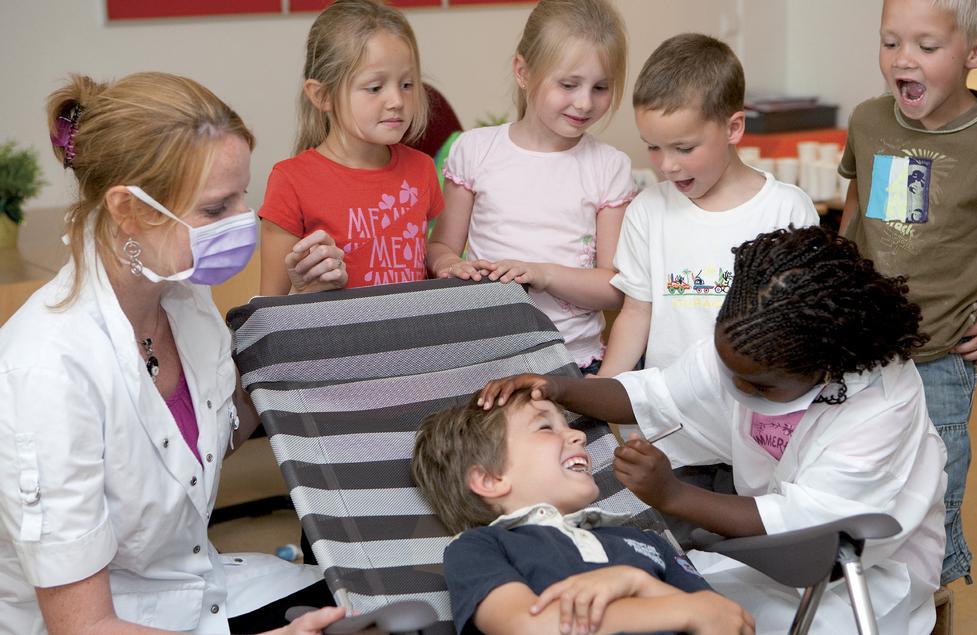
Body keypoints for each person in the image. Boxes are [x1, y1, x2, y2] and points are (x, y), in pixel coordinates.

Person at [0, 72, 347, 634]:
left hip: (189, 587)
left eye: (243, 196)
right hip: (111, 622)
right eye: (215, 209)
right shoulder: (47, 371)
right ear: (127, 210)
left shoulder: (181, 298)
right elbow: (83, 627)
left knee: (382, 603)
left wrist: (293, 313)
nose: (243, 220)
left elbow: (207, 444)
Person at [479, 227, 948, 634]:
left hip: (862, 570)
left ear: (825, 368)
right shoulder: (748, 339)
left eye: (758, 384)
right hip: (764, 554)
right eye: (729, 370)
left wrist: (673, 497)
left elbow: (813, 525)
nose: (736, 386)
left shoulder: (880, 406)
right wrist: (559, 388)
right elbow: (657, 394)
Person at [838, 0, 977, 585]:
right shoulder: (868, 121)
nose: (902, 60)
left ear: (975, 53)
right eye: (890, 42)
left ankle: (934, 604)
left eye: (926, 46)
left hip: (941, 359)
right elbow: (856, 205)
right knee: (854, 478)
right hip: (859, 347)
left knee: (932, 500)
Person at [410, 390, 755, 635]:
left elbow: (730, 620)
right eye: (545, 427)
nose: (577, 434)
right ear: (490, 479)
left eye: (568, 424)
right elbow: (527, 626)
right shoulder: (479, 547)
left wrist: (635, 581)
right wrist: (681, 610)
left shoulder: (644, 540)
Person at [426, 0, 634, 374]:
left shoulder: (609, 167)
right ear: (523, 71)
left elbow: (614, 289)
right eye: (569, 84)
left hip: (572, 360)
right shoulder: (475, 150)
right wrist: (451, 267)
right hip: (486, 356)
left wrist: (544, 274)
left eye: (601, 87)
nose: (585, 102)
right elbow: (440, 247)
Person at [597, 34, 818, 378]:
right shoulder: (648, 211)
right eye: (653, 147)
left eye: (683, 148)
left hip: (753, 413)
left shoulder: (786, 211)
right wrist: (606, 386)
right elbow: (636, 313)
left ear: (733, 128)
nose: (666, 165)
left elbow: (798, 322)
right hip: (670, 419)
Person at [259, 0, 444, 295]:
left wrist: (445, 259)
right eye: (375, 87)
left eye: (407, 84)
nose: (397, 100)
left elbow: (430, 254)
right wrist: (310, 291)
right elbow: (267, 312)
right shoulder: (290, 181)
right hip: (331, 340)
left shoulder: (422, 169)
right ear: (322, 96)